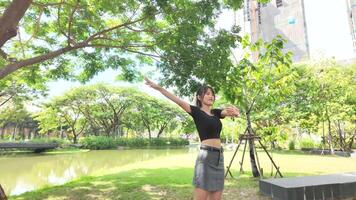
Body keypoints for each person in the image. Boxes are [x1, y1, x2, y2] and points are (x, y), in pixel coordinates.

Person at [145, 77, 240, 200]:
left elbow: (228, 112)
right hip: (205, 158)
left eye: (213, 95)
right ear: (200, 97)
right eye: (208, 94)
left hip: (219, 158)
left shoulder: (216, 113)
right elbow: (177, 100)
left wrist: (235, 112)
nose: (211, 96)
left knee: (216, 198)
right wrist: (158, 88)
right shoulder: (196, 111)